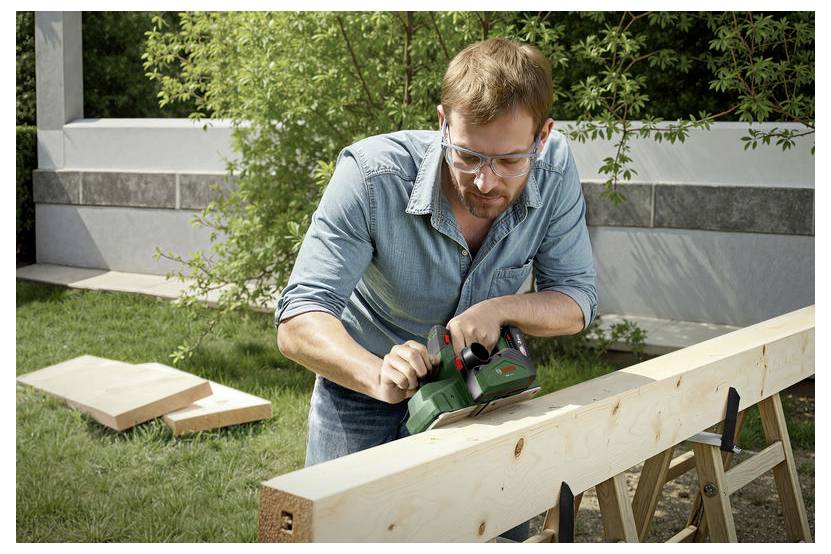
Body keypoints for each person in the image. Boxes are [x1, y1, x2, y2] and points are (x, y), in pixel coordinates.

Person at [275, 37, 597, 541]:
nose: (486, 182)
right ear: (443, 122)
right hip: (362, 390)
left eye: (510, 161)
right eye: (468, 156)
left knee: (493, 536)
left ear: (542, 136)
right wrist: (375, 373)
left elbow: (577, 301)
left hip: (483, 391)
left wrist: (501, 309)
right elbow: (299, 318)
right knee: (347, 534)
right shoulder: (371, 175)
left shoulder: (554, 170)